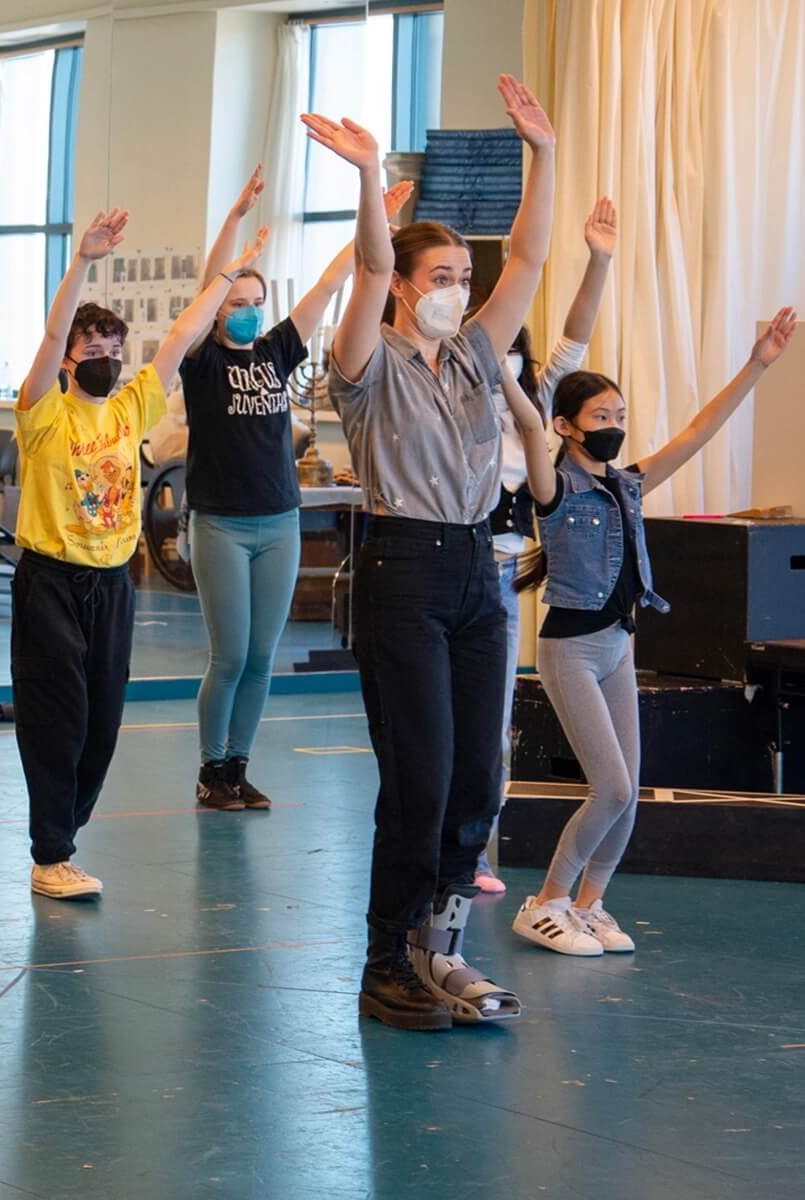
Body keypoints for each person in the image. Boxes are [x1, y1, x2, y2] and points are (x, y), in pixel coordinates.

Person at [307, 75, 555, 1031]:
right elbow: (370, 269)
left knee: (476, 782)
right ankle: (384, 961)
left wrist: (544, 156)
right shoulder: (368, 365)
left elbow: (528, 258)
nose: (458, 289)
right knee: (419, 778)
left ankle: (439, 950)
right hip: (402, 564)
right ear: (408, 287)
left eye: (463, 275)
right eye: (440, 276)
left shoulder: (475, 356)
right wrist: (372, 176)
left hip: (475, 568)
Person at [510, 310, 797, 955]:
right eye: (598, 418)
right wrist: (508, 377)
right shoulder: (554, 487)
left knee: (629, 793)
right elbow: (530, 427)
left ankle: (591, 905)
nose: (613, 428)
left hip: (619, 643)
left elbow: (700, 431)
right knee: (609, 786)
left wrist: (757, 364)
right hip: (571, 649)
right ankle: (547, 900)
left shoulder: (631, 485)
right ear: (565, 426)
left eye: (618, 417)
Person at [12, 206, 269, 901]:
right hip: (51, 580)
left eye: (113, 349)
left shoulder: (131, 407)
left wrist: (227, 272)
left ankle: (65, 832)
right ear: (70, 357)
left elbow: (184, 332)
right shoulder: (43, 412)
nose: (106, 360)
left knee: (101, 721)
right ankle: (50, 851)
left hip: (112, 585)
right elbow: (51, 335)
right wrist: (84, 262)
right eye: (91, 350)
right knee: (56, 715)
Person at [177, 166, 409, 812]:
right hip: (221, 522)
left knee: (261, 656)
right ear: (217, 308)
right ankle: (209, 769)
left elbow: (331, 282)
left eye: (256, 301)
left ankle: (239, 766)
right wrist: (232, 223)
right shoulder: (202, 361)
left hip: (278, 519)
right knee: (227, 656)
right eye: (236, 301)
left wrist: (375, 223)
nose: (248, 311)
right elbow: (209, 288)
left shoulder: (277, 351)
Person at [474, 196, 617, 894]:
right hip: (453, 559)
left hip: (500, 571)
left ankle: (476, 848)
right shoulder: (459, 397)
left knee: (494, 720)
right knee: (453, 715)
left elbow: (576, 336)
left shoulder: (536, 404)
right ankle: (449, 840)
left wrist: (599, 260)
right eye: (491, 350)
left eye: (513, 350)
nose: (505, 360)